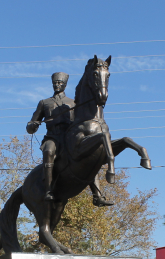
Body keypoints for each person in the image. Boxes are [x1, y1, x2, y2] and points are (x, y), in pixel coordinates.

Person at [27, 72, 113, 206]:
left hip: (69, 137)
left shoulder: (73, 103)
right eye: (55, 83)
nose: (57, 85)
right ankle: (49, 190)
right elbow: (31, 125)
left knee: (88, 156)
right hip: (53, 137)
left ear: (65, 85)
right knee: (48, 152)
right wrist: (32, 125)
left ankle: (97, 196)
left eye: (60, 83)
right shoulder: (44, 103)